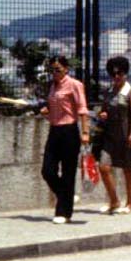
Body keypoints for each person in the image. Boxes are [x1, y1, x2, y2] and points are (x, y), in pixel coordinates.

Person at [38, 55, 89, 224]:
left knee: (68, 172)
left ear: (66, 69)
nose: (55, 73)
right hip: (54, 130)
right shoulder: (52, 86)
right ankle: (66, 195)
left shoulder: (75, 84)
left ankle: (64, 213)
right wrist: (46, 113)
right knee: (48, 170)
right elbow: (54, 111)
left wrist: (85, 132)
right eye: (52, 70)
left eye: (58, 70)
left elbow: (82, 109)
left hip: (69, 131)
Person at [96, 55, 131, 214]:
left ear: (125, 73)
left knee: (127, 170)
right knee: (103, 167)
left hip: (126, 135)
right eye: (113, 74)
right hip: (110, 136)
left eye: (119, 73)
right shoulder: (109, 92)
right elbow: (103, 111)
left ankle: (129, 203)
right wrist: (102, 115)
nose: (116, 77)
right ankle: (114, 200)